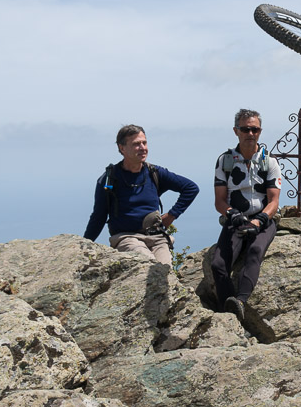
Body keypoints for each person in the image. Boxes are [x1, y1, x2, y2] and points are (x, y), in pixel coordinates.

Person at [84, 124, 199, 265]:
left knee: (165, 270)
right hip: (126, 237)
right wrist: (84, 245)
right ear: (122, 148)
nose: (143, 148)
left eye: (144, 143)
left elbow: (191, 188)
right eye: (136, 144)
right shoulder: (109, 179)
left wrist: (171, 215)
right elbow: (99, 216)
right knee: (147, 264)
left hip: (156, 237)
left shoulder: (154, 173)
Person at [208, 109, 282, 319]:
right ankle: (231, 312)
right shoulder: (225, 161)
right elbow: (219, 201)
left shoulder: (270, 162)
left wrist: (260, 220)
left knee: (254, 252)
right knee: (218, 265)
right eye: (245, 129)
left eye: (255, 129)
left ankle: (240, 302)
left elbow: (274, 201)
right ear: (236, 131)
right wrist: (233, 215)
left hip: (263, 220)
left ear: (260, 131)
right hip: (236, 220)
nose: (250, 133)